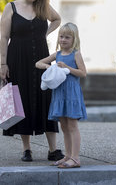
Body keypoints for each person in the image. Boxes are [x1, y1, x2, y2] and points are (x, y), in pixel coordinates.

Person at [0, 0, 64, 162]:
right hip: (17, 58)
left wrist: (45, 32)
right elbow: (3, 38)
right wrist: (3, 64)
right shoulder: (11, 8)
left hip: (42, 59)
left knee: (46, 99)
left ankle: (53, 149)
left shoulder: (42, 7)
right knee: (22, 100)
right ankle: (26, 149)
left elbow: (57, 19)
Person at [36, 22, 87, 168]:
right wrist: (50, 67)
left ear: (74, 39)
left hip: (71, 93)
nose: (63, 40)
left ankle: (76, 158)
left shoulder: (76, 54)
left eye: (67, 37)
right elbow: (38, 63)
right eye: (61, 36)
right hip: (59, 93)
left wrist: (67, 68)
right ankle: (68, 155)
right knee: (64, 126)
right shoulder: (57, 55)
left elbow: (83, 73)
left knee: (72, 125)